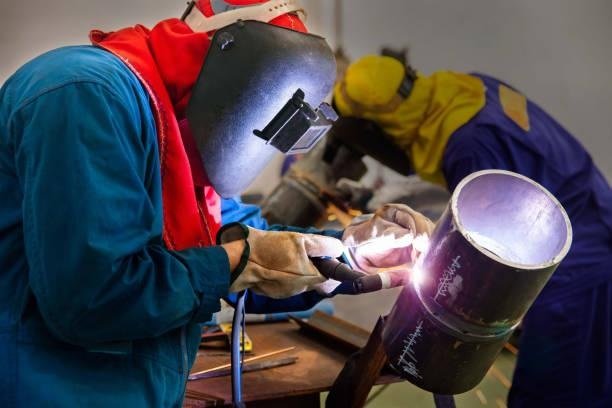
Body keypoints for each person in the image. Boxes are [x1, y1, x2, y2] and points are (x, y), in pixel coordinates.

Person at [0, 2, 433, 406]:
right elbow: (93, 298)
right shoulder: (86, 95)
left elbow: (236, 235)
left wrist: (349, 248)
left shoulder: (178, 138)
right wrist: (239, 261)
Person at [333, 54, 612, 407]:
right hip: (595, 220)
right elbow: (476, 186)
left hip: (575, 267)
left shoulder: (470, 146)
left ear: (378, 126)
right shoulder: (468, 93)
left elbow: (479, 229)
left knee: (555, 391)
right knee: (593, 380)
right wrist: (377, 196)